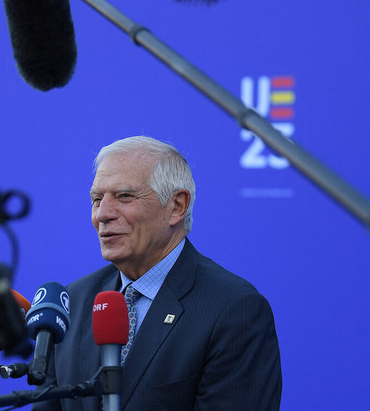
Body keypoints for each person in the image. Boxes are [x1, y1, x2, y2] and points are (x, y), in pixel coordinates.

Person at [33, 135, 282, 410]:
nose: (102, 214)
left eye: (124, 196)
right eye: (96, 199)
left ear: (177, 206)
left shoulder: (233, 309)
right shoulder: (74, 301)